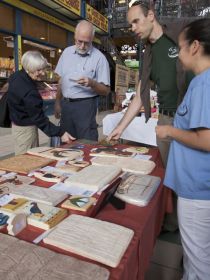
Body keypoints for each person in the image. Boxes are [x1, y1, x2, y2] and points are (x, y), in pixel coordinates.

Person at [108, 0, 192, 231]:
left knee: (191, 173)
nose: (132, 27)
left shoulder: (178, 35)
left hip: (190, 119)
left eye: (136, 21)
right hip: (165, 119)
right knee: (170, 174)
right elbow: (139, 94)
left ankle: (193, 223)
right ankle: (173, 221)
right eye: (130, 24)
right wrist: (121, 127)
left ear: (151, 16)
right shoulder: (148, 53)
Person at [156, 18, 210, 279]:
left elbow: (207, 140)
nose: (177, 54)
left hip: (198, 190)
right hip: (201, 186)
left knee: (198, 264)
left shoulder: (203, 84)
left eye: (180, 47)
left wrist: (169, 131)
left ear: (195, 46)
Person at [7, 50, 75, 155]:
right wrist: (60, 133)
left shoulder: (16, 76)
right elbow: (40, 120)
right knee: (27, 160)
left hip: (17, 125)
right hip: (26, 130)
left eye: (43, 69)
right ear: (28, 68)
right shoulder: (30, 92)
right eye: (38, 70)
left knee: (22, 156)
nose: (42, 73)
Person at [54, 20, 110, 141]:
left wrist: (92, 83)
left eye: (87, 42)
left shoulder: (99, 58)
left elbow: (106, 91)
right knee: (66, 143)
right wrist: (58, 102)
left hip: (86, 106)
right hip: (66, 106)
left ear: (92, 39)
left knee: (87, 143)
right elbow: (61, 80)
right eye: (79, 41)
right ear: (75, 36)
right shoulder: (66, 53)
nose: (82, 46)